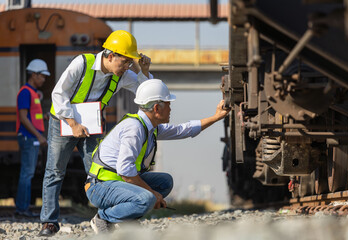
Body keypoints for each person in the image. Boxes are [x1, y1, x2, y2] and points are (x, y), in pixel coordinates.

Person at [39, 30, 153, 237]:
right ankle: (49, 222)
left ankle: (107, 218)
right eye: (125, 62)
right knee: (54, 172)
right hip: (63, 123)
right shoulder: (81, 64)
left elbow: (145, 91)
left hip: (93, 125)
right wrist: (73, 123)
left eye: (129, 63)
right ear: (111, 56)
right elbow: (59, 93)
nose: (127, 67)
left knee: (100, 172)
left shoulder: (123, 74)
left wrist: (143, 70)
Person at [85, 79, 230, 234]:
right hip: (100, 186)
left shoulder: (149, 127)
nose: (170, 108)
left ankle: (124, 219)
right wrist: (153, 194)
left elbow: (183, 130)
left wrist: (216, 117)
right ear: (156, 108)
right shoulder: (134, 129)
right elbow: (125, 171)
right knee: (146, 199)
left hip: (116, 183)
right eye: (168, 104)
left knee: (164, 182)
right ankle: (103, 218)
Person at [15, 59, 49, 217]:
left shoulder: (32, 92)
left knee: (27, 174)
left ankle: (23, 208)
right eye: (42, 76)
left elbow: (31, 115)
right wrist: (39, 136)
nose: (44, 79)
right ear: (34, 74)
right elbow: (23, 118)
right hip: (29, 138)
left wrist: (44, 117)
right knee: (26, 174)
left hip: (31, 138)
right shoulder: (25, 92)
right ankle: (22, 209)